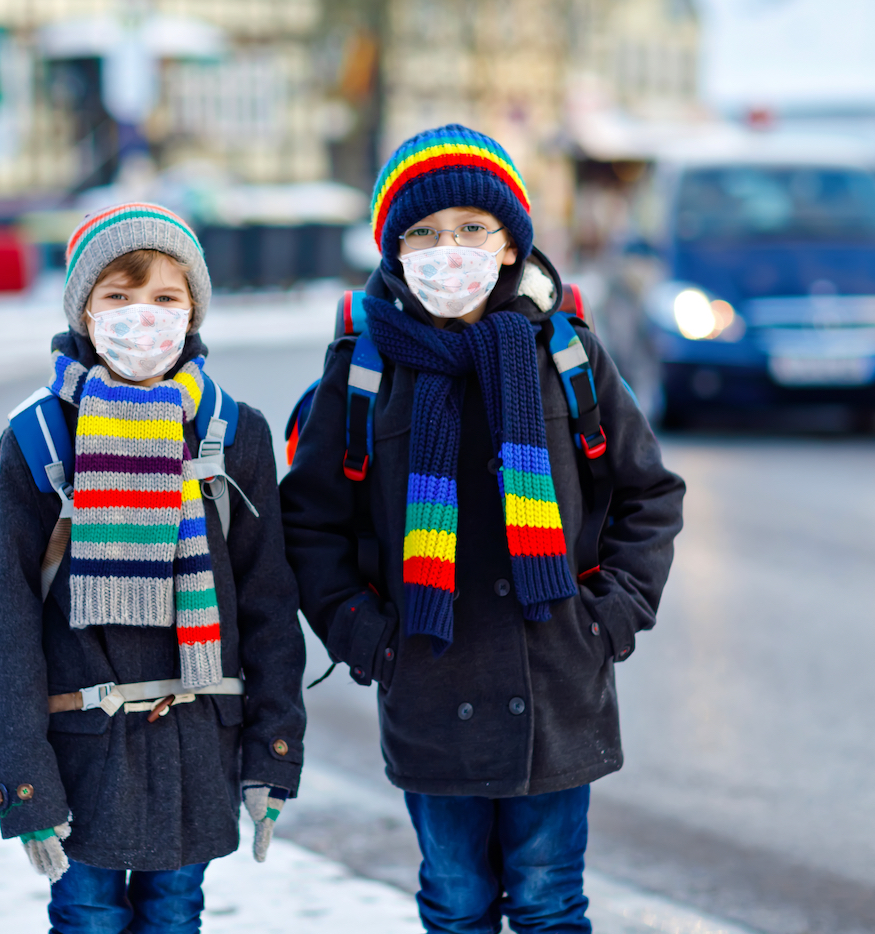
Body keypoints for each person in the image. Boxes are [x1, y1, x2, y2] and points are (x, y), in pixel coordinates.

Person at [280, 125, 685, 933]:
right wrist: (364, 636)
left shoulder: (565, 352)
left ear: (510, 244)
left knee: (548, 901)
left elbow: (648, 493)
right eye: (423, 234)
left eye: (471, 228)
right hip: (429, 687)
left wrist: (608, 617)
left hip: (556, 682)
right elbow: (312, 522)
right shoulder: (365, 364)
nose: (448, 249)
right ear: (396, 252)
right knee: (456, 902)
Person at [0, 203, 306, 934]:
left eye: (165, 298)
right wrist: (23, 783)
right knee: (87, 915)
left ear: (193, 312)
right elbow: (1, 622)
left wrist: (273, 754)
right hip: (81, 753)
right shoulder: (38, 436)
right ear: (84, 310)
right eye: (118, 298)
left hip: (198, 749)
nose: (142, 318)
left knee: (175, 914)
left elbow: (268, 606)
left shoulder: (232, 430)